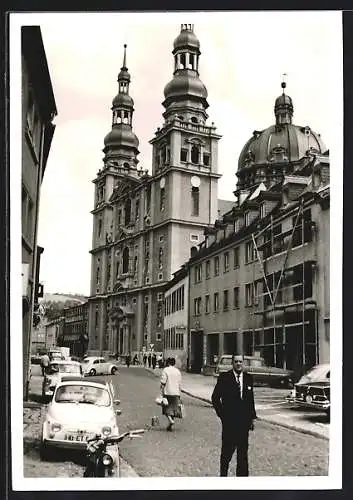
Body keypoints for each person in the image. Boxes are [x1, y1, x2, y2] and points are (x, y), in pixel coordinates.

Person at [211, 353, 257, 477]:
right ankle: (224, 478)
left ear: (243, 363)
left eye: (240, 362)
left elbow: (250, 400)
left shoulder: (248, 378)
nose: (238, 364)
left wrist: (252, 418)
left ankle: (242, 481)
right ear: (232, 363)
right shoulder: (225, 378)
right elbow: (215, 398)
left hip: (244, 422)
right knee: (226, 453)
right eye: (236, 361)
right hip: (229, 423)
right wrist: (222, 415)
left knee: (243, 454)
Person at [160, 357, 182, 431]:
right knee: (173, 409)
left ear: (168, 363)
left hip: (168, 392)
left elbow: (163, 382)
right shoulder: (178, 371)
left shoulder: (165, 370)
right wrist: (179, 393)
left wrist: (162, 393)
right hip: (176, 392)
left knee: (166, 408)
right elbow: (179, 383)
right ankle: (170, 426)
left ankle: (171, 421)